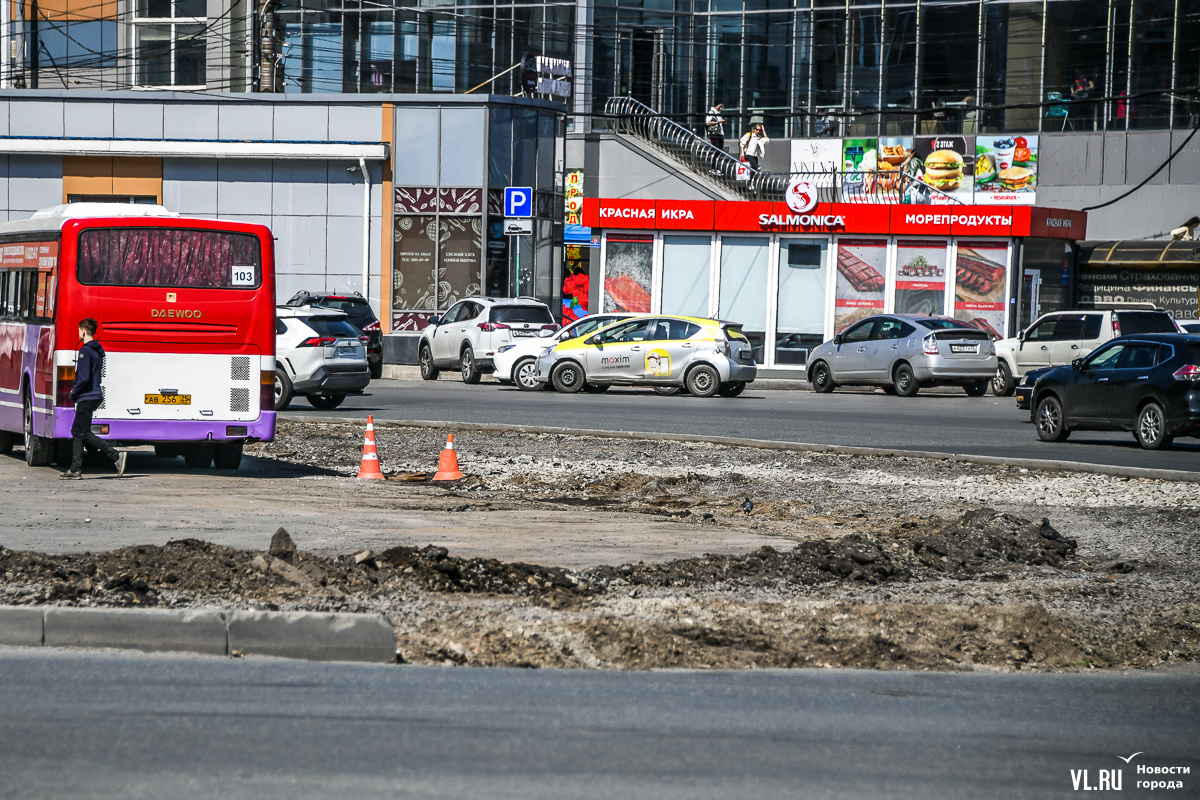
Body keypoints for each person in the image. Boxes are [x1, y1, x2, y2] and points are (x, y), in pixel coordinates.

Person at [62, 318, 126, 480]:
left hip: (86, 395)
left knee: (82, 432)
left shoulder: (85, 351)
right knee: (78, 432)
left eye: (78, 331)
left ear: (83, 332)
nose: (78, 333)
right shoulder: (97, 350)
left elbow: (83, 378)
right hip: (94, 395)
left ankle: (115, 456)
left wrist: (73, 393)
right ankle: (75, 469)